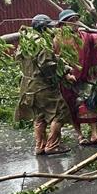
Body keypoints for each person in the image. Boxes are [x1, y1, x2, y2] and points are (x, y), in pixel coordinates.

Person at [14, 14, 73, 156]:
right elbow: (47, 65)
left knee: (39, 116)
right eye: (49, 28)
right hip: (43, 87)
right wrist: (64, 71)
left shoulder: (25, 43)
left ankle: (40, 146)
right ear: (44, 28)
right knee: (59, 113)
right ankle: (52, 145)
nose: (52, 30)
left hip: (28, 87)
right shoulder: (43, 44)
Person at [56, 9, 97, 146]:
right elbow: (55, 60)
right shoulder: (58, 40)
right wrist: (66, 74)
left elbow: (95, 38)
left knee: (91, 103)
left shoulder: (84, 35)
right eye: (71, 21)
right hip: (69, 79)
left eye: (76, 19)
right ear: (63, 25)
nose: (75, 23)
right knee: (72, 107)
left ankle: (94, 135)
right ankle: (79, 135)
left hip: (86, 75)